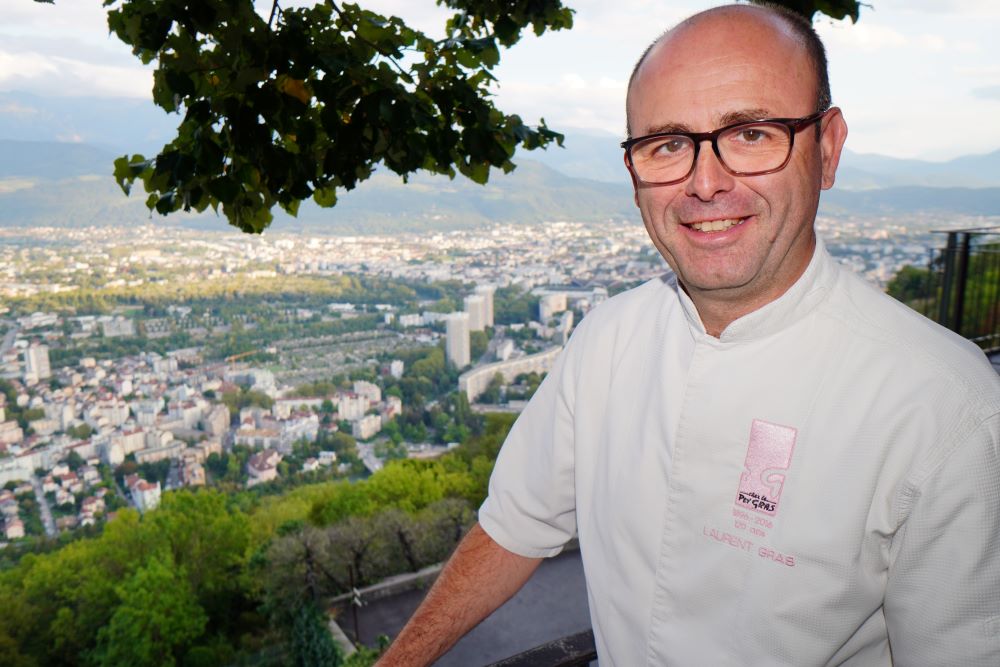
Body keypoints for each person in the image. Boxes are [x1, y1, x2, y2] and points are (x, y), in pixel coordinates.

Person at [377, 4, 1000, 665]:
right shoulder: (607, 339)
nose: (706, 183)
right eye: (668, 144)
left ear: (827, 147)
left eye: (752, 133)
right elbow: (513, 527)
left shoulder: (945, 409)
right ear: (633, 173)